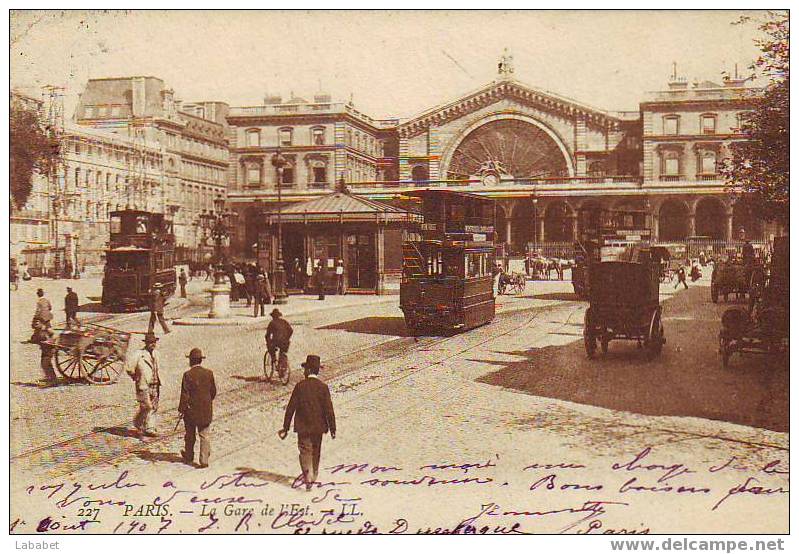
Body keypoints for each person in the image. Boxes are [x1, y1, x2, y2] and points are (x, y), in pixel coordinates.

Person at [279, 355, 336, 490]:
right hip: (318, 428)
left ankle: (307, 476)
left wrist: (285, 427)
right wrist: (333, 428)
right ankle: (313, 474)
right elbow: (329, 409)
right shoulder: (323, 387)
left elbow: (291, 408)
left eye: (305, 369)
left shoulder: (300, 386)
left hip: (303, 427)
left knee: (305, 452)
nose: (303, 372)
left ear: (309, 370)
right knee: (316, 451)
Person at [179, 347, 216, 468]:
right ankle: (204, 459)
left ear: (190, 361)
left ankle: (189, 456)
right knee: (204, 434)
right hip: (205, 410)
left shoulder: (187, 375)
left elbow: (185, 395)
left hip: (191, 411)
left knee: (190, 434)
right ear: (201, 360)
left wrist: (181, 410)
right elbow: (213, 392)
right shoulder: (209, 373)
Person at [125, 332, 162, 437]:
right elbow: (129, 368)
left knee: (154, 406)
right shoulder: (138, 354)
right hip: (143, 384)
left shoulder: (157, 354)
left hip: (155, 384)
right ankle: (138, 422)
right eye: (150, 342)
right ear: (146, 343)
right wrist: (135, 377)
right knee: (146, 406)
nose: (152, 344)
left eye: (154, 342)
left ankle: (150, 427)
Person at [265, 308, 293, 376]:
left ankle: (274, 360)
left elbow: (267, 335)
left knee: (271, 348)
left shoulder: (272, 323)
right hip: (285, 342)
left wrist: (268, 342)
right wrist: (287, 337)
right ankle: (283, 367)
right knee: (282, 352)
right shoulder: (284, 321)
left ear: (273, 316)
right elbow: (291, 330)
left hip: (277, 341)